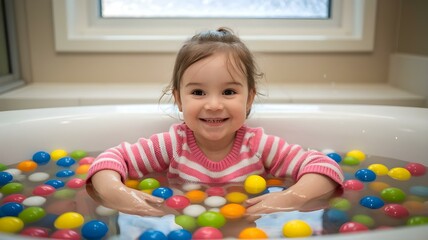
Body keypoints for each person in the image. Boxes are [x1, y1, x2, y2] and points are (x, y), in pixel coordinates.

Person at [86, 27, 344, 225]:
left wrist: (289, 198)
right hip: (184, 229)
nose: (213, 104)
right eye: (198, 92)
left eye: (229, 91)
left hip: (249, 230)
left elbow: (324, 167)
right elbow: (109, 160)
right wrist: (118, 193)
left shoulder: (257, 145)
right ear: (178, 99)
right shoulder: (173, 145)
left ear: (249, 98)